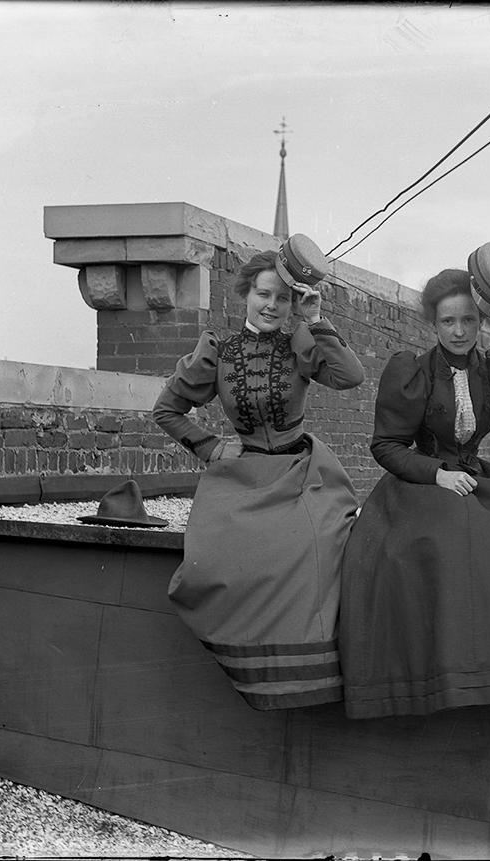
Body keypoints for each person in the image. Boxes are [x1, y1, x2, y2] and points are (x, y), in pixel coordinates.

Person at [153, 237, 365, 710]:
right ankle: (250, 664)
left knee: (318, 546)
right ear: (246, 293)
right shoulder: (218, 350)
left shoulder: (300, 342)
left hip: (302, 472)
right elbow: (167, 409)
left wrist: (314, 320)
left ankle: (315, 670)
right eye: (264, 294)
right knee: (211, 563)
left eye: (283, 297)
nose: (272, 305)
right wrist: (209, 448)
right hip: (241, 476)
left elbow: (350, 376)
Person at [339, 267, 490, 719]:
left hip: (475, 475)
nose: (459, 332)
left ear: (481, 323)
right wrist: (437, 474)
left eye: (468, 321)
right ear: (433, 324)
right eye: (447, 322)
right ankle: (450, 671)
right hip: (421, 483)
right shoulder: (412, 370)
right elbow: (385, 446)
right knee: (452, 539)